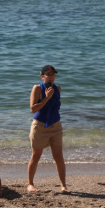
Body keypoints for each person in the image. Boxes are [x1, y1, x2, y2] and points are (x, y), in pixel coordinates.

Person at [27, 65, 69, 193]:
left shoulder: (58, 89)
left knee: (58, 157)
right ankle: (30, 184)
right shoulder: (37, 88)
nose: (51, 77)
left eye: (53, 74)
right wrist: (47, 98)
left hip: (56, 125)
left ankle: (63, 185)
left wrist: (51, 95)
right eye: (48, 74)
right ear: (42, 76)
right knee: (36, 156)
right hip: (39, 126)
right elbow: (33, 109)